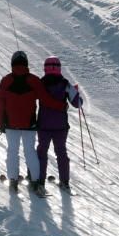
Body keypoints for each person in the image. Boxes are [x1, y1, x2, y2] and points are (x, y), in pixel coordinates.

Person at [0, 51, 64, 195]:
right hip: (29, 125)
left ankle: (13, 180)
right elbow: (46, 99)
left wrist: (0, 123)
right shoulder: (33, 80)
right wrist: (61, 106)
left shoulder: (6, 80)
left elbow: (0, 105)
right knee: (30, 152)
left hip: (11, 125)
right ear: (26, 63)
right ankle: (35, 181)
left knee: (12, 151)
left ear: (12, 63)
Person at [36, 56, 84, 191]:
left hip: (44, 125)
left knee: (42, 152)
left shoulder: (40, 83)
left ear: (45, 68)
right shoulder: (65, 84)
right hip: (60, 126)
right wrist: (76, 93)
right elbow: (78, 103)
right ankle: (65, 182)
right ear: (59, 68)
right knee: (61, 153)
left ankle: (40, 182)